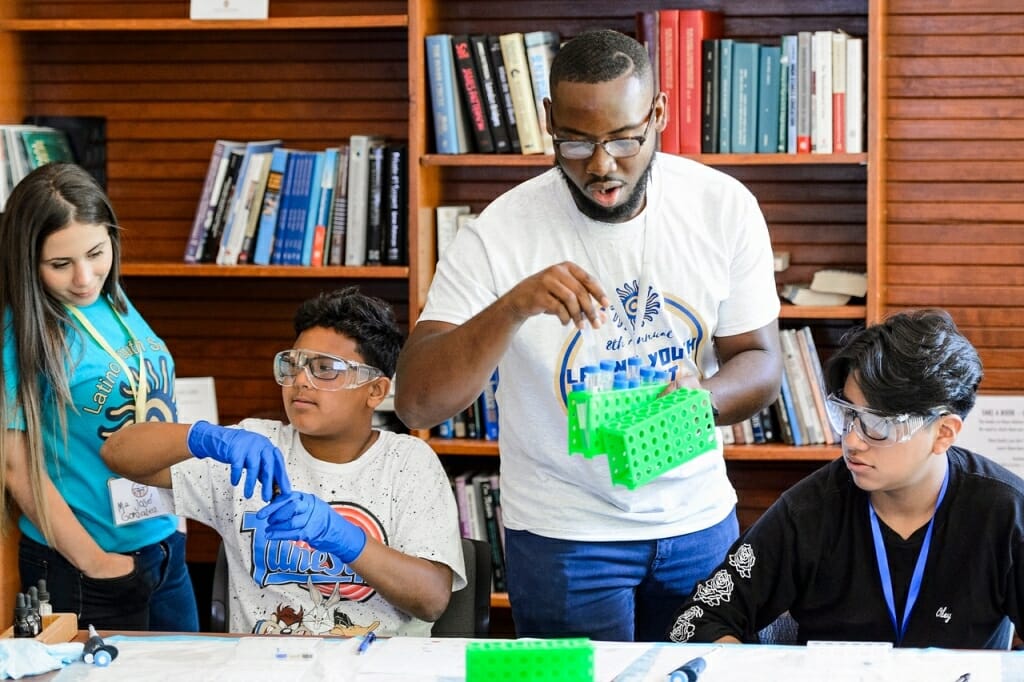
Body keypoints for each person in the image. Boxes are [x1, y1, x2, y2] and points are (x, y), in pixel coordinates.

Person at [395, 29, 782, 641]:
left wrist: (701, 398)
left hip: (698, 522)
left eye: (625, 139)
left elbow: (760, 363)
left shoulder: (721, 206)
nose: (601, 165)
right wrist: (514, 305)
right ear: (548, 120)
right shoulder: (499, 232)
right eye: (574, 141)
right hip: (562, 535)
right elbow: (418, 400)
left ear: (658, 114)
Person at [101, 287, 466, 636]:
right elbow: (117, 454)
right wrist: (204, 437)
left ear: (375, 391)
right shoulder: (255, 448)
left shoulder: (408, 463)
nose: (300, 381)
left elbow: (432, 600)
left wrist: (343, 538)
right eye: (293, 365)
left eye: (325, 368)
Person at [668, 309, 1024, 648]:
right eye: (849, 414)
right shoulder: (808, 511)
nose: (852, 440)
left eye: (879, 424)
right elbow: (696, 622)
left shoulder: (1005, 512)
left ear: (944, 432)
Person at [0, 162, 199, 631]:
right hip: (87, 561)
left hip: (164, 544)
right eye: (60, 264)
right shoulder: (20, 331)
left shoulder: (111, 300)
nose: (84, 278)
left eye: (96, 252)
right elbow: (15, 465)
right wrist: (95, 562)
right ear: (28, 262)